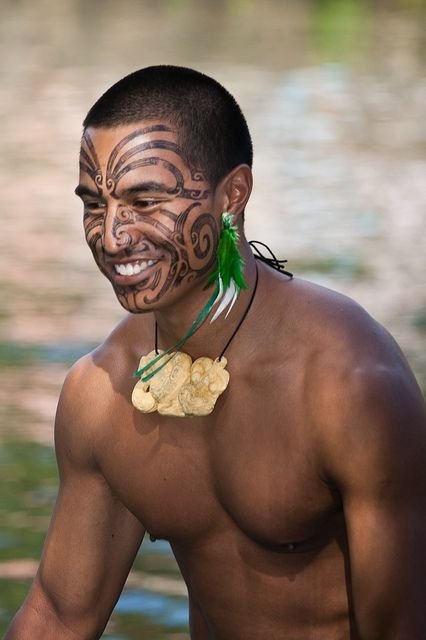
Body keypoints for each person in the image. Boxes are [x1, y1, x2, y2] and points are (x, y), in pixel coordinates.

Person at [5, 65, 426, 640]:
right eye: (93, 205)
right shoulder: (101, 393)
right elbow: (58, 618)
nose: (111, 236)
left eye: (146, 200)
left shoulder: (345, 382)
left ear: (233, 195)